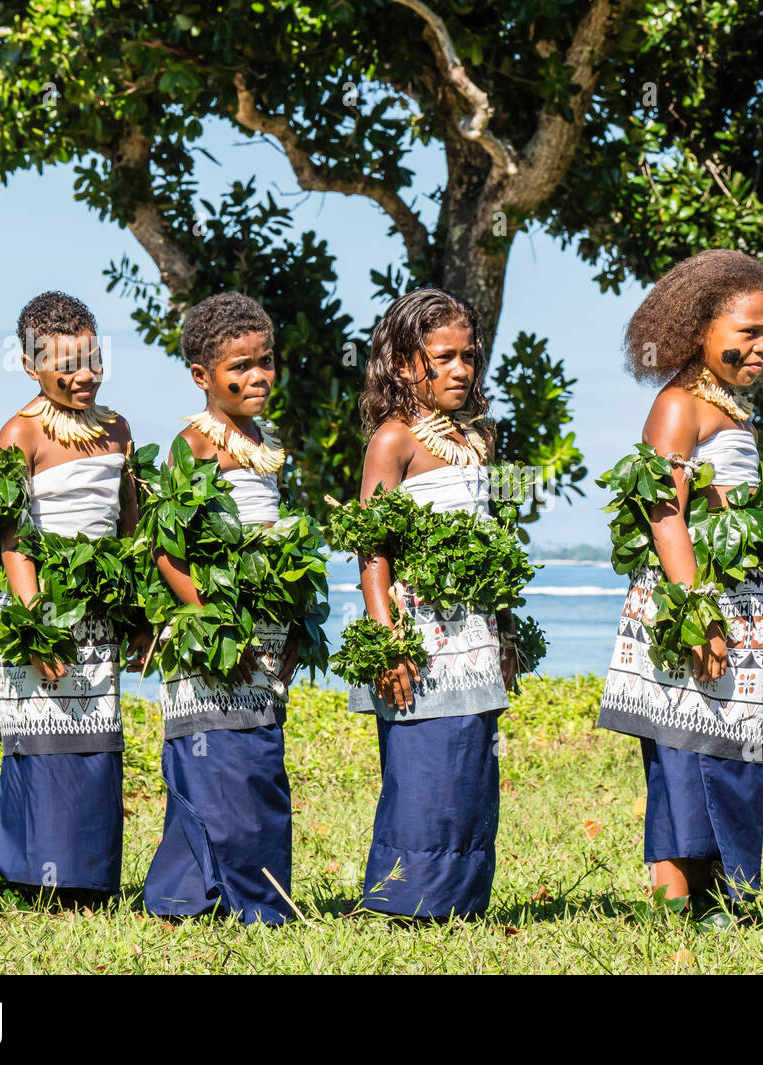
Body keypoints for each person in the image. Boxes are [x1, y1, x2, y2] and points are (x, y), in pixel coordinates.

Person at [598, 250, 763, 916]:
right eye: (746, 332)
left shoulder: (730, 410)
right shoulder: (680, 405)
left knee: (728, 753)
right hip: (695, 608)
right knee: (685, 755)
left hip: (740, 613)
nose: (760, 346)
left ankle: (724, 899)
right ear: (698, 329)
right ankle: (675, 907)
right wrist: (698, 610)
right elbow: (664, 510)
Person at [346, 287, 519, 919]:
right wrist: (389, 639)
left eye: (468, 357)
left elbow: (489, 541)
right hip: (416, 635)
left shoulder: (478, 439)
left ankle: (461, 900)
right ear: (400, 363)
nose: (460, 370)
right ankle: (406, 899)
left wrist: (504, 630)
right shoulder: (393, 441)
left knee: (470, 765)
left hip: (472, 634)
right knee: (425, 767)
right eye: (442, 357)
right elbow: (373, 548)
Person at [143, 293, 303, 925]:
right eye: (240, 367)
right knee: (222, 761)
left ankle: (192, 895)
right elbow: (165, 545)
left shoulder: (264, 440)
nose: (257, 377)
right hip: (213, 632)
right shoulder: (196, 444)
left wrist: (291, 624)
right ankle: (242, 901)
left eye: (265, 362)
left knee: (257, 755)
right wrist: (215, 622)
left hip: (260, 627)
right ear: (202, 377)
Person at [0, 290, 138, 904]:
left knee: (96, 741)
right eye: (67, 365)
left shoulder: (118, 430)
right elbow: (12, 536)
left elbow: (128, 521)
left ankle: (90, 880)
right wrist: (32, 627)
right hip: (40, 611)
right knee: (42, 740)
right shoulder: (19, 434)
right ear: (31, 366)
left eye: (93, 359)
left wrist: (139, 614)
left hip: (99, 612)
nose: (86, 376)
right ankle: (30, 876)